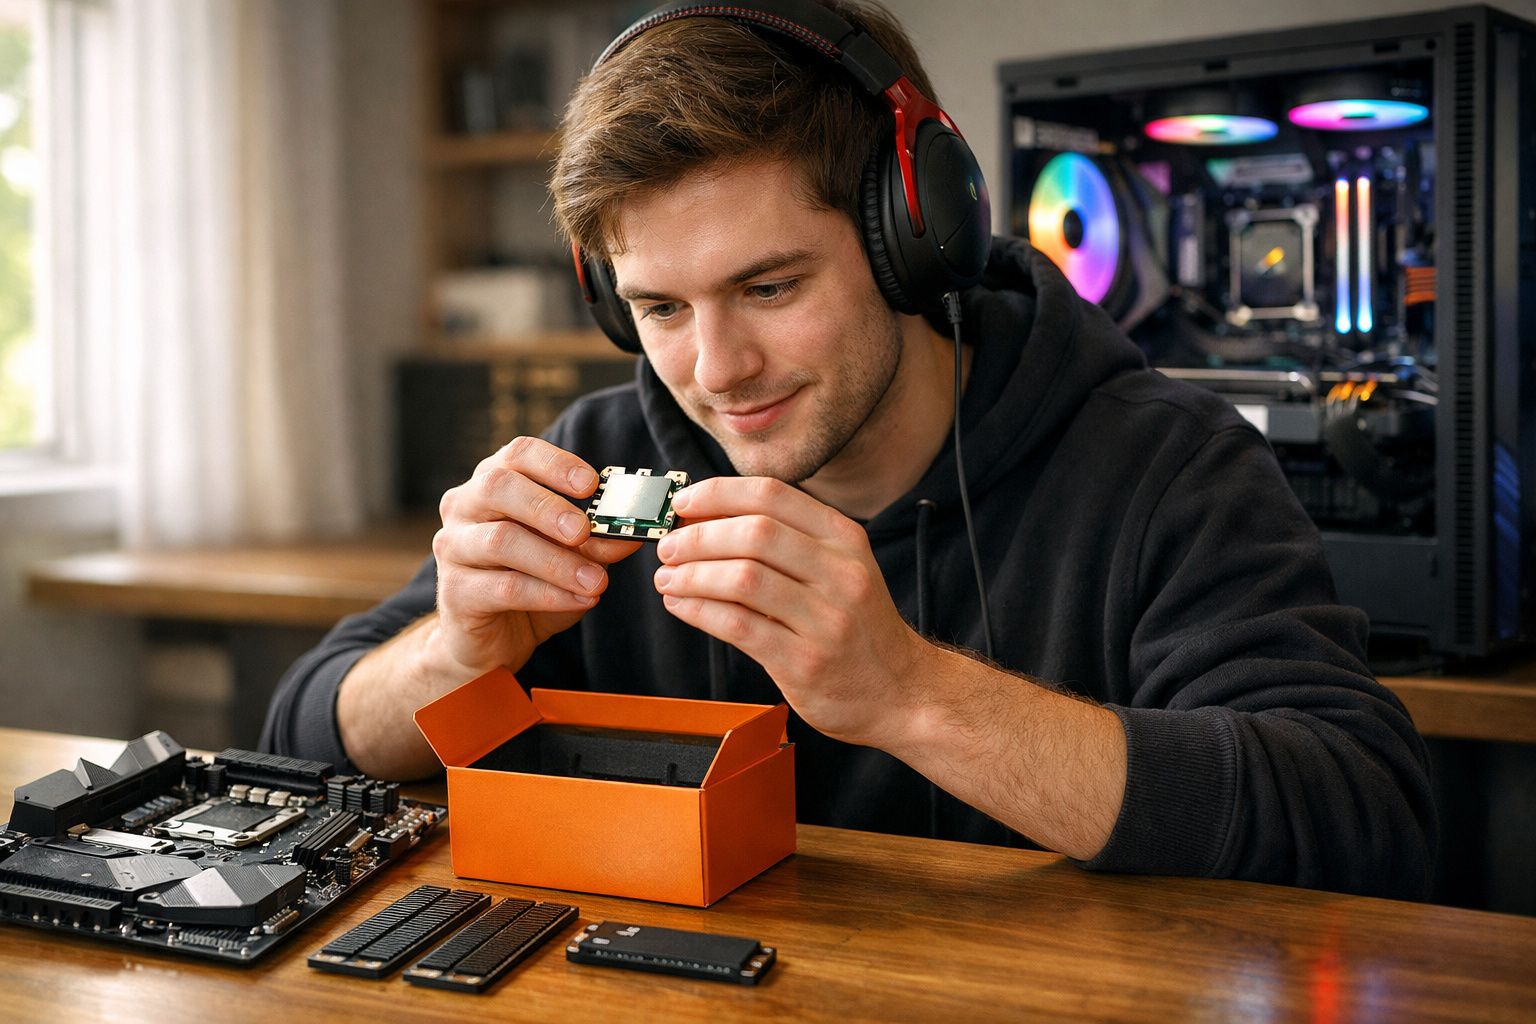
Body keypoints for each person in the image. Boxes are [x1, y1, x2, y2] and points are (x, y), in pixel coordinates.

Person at [262, 0, 1435, 899]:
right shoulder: (614, 452)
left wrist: (910, 692)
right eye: (661, 308)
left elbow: (1364, 821)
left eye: (769, 286)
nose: (717, 370)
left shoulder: (1166, 465)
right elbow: (301, 733)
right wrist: (455, 655)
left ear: (912, 236)